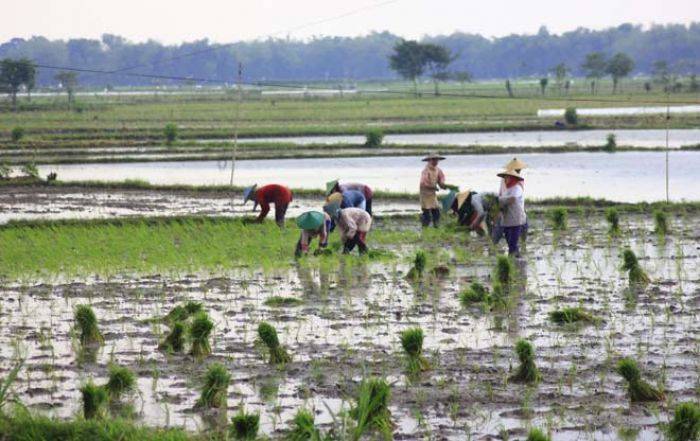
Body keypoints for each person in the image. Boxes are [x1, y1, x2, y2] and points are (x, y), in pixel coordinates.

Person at [494, 158, 528, 244]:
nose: (519, 170)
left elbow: (515, 196)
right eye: (518, 169)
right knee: (503, 228)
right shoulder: (508, 180)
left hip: (514, 206)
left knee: (520, 226)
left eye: (519, 169)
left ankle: (520, 246)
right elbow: (506, 195)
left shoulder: (516, 180)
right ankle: (495, 245)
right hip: (509, 206)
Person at [497, 169, 527, 257]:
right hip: (507, 218)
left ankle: (512, 260)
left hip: (516, 218)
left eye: (507, 177)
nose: (505, 179)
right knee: (508, 239)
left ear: (513, 178)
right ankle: (516, 256)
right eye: (505, 178)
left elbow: (512, 199)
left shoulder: (517, 188)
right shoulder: (506, 189)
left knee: (512, 242)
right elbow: (503, 199)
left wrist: (499, 200)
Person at [419, 152, 448, 227]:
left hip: (432, 193)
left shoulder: (438, 170)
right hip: (425, 193)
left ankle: (436, 225)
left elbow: (441, 178)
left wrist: (443, 185)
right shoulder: (426, 170)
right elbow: (423, 183)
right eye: (433, 160)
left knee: (436, 210)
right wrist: (433, 187)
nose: (435, 161)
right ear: (429, 160)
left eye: (437, 160)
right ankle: (425, 226)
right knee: (426, 211)